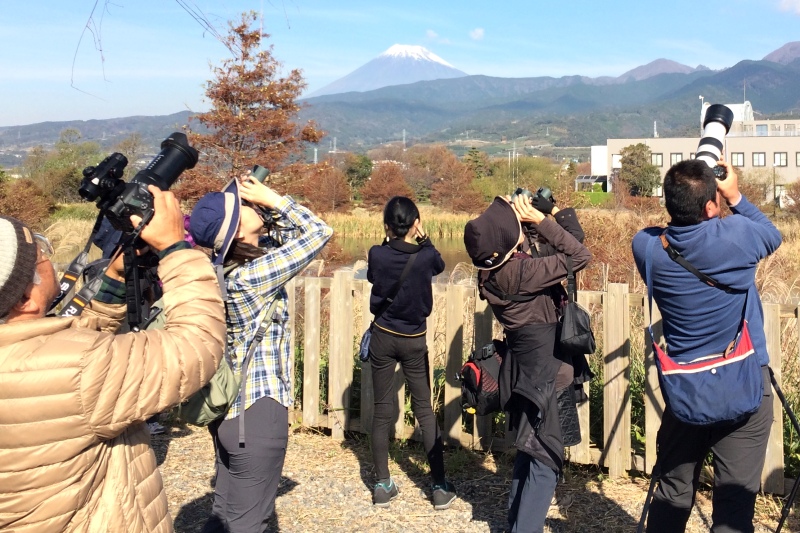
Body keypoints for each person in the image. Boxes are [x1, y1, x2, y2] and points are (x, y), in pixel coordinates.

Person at [0, 187, 227, 532]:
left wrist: (116, 278)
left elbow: (61, 351)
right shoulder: (79, 367)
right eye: (42, 253)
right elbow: (195, 346)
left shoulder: (48, 360)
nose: (50, 256)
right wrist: (176, 250)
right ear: (25, 298)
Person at [631, 159, 782, 533]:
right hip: (744, 384)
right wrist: (735, 195)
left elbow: (658, 231)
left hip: (686, 391)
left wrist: (691, 196)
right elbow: (771, 233)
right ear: (712, 207)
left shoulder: (646, 249)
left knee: (672, 491)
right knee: (733, 505)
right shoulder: (738, 237)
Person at [189, 175, 332, 532]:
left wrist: (269, 210)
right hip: (257, 413)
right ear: (237, 232)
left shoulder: (225, 269)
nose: (255, 205)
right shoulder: (253, 275)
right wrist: (276, 199)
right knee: (248, 523)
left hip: (231, 411)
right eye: (246, 207)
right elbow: (318, 233)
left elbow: (288, 241)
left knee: (223, 514)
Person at [464, 193, 591, 533]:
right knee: (546, 458)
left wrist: (543, 219)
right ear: (507, 247)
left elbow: (546, 251)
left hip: (522, 372)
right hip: (547, 378)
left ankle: (515, 523)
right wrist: (542, 221)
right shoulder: (520, 272)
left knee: (528, 448)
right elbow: (579, 255)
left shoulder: (493, 272)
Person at [365, 196, 455, 509]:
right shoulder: (426, 255)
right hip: (414, 339)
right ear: (414, 223)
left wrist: (388, 237)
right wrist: (424, 236)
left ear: (387, 225)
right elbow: (440, 264)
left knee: (381, 410)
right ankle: (440, 487)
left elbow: (374, 276)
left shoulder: (377, 253)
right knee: (424, 410)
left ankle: (382, 484)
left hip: (383, 337)